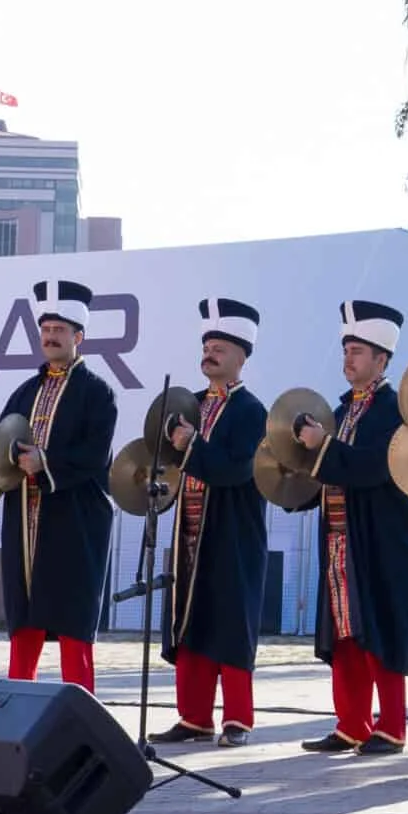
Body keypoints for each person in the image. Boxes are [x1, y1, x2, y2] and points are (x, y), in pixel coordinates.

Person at [293, 299, 408, 756]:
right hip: (340, 535)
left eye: (358, 351)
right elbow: (328, 466)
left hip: (380, 538)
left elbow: (376, 466)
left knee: (380, 627)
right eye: (346, 349)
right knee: (346, 632)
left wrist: (323, 447)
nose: (348, 359)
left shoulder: (394, 409)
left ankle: (391, 727)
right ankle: (351, 723)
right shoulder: (342, 408)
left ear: (382, 359)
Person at [0, 281, 118, 695]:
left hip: (75, 520)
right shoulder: (23, 391)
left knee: (73, 622)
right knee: (24, 619)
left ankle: (81, 710)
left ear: (78, 337)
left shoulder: (97, 393)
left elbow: (95, 455)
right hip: (24, 521)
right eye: (46, 329)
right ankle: (16, 702)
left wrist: (44, 462)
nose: (50, 337)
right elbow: (0, 445)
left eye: (60, 330)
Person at [154, 296, 269, 745]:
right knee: (191, 618)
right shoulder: (190, 403)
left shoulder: (252, 411)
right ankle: (194, 717)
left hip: (233, 533)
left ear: (241, 356)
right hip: (189, 530)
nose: (211, 352)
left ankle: (238, 718)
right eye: (207, 344)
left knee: (231, 621)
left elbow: (238, 469)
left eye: (221, 345)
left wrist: (192, 446)